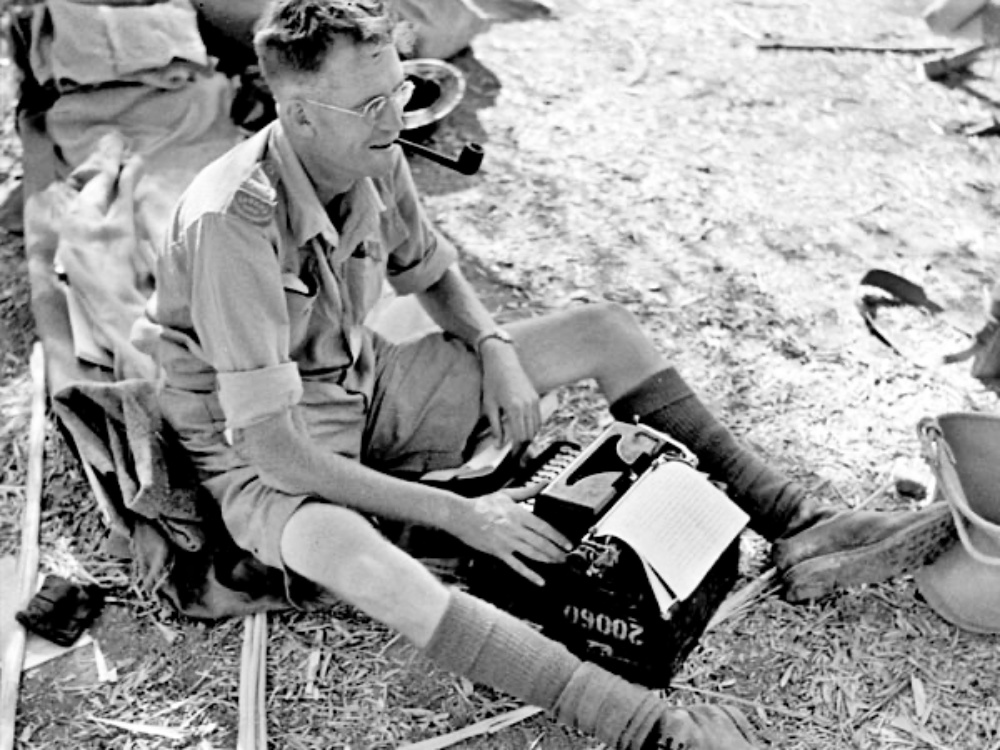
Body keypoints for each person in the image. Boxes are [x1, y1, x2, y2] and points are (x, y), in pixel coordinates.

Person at [135, 0, 956, 746]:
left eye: (402, 88)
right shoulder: (230, 222)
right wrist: (464, 518)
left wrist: (493, 349)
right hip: (258, 454)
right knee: (353, 556)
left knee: (605, 333)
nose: (398, 117)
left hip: (363, 384)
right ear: (300, 114)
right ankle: (644, 724)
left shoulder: (371, 147)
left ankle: (796, 519)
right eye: (371, 104)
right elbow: (276, 451)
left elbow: (430, 272)